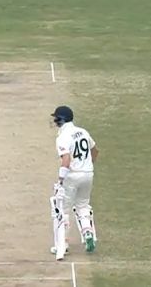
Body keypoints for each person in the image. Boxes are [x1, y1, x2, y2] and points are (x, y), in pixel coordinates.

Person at [50, 105, 99, 260]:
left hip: (72, 176)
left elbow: (66, 159)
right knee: (83, 205)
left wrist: (60, 180)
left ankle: (62, 246)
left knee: (63, 210)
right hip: (88, 174)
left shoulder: (62, 137)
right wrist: (88, 166)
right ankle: (88, 233)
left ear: (61, 120)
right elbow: (95, 150)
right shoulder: (83, 132)